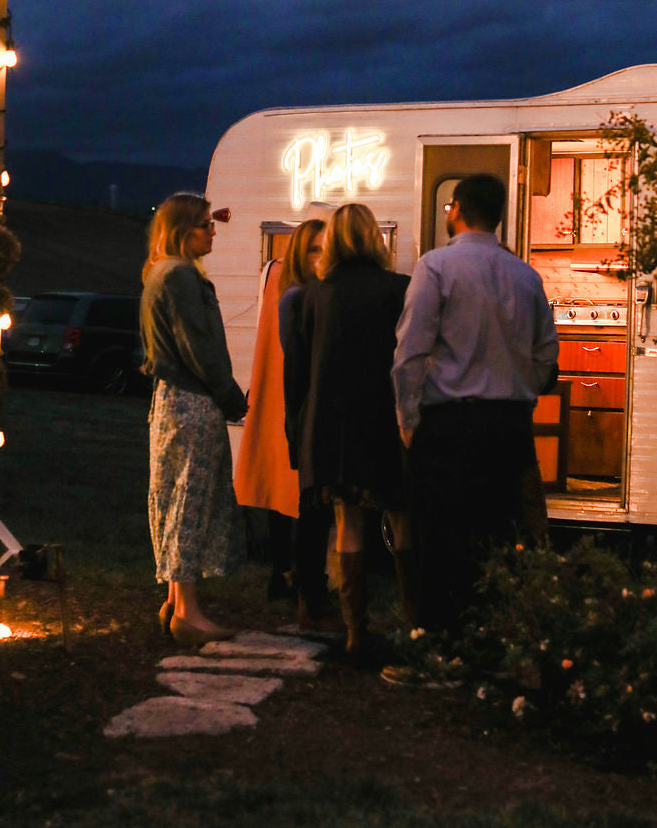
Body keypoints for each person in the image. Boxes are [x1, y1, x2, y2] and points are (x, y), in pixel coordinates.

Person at [391, 172, 559, 642]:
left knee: (440, 537)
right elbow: (547, 354)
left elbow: (409, 353)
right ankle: (491, 638)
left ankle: (436, 641)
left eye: (449, 207)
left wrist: (407, 419)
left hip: (450, 421)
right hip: (509, 425)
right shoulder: (526, 275)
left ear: (459, 209)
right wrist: (518, 387)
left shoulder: (435, 267)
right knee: (498, 534)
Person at [285, 203, 414, 659]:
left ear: (335, 242)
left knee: (348, 524)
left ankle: (356, 631)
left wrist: (296, 436)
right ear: (375, 239)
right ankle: (415, 626)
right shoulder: (400, 289)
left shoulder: (311, 297)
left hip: (331, 428)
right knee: (401, 520)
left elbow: (297, 377)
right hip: (385, 419)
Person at [141, 192, 247, 650]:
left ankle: (173, 601)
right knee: (191, 499)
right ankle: (187, 612)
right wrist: (230, 395)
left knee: (173, 494)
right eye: (205, 225)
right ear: (183, 231)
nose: (213, 232)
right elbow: (198, 345)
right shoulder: (181, 276)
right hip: (192, 401)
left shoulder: (158, 272)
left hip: (170, 400)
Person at [233, 216, 335, 627]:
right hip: (286, 394)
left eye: (324, 250)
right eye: (312, 250)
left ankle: (287, 573)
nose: (319, 258)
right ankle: (287, 572)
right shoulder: (298, 289)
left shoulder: (280, 279)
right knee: (287, 487)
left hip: (284, 394)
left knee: (290, 487)